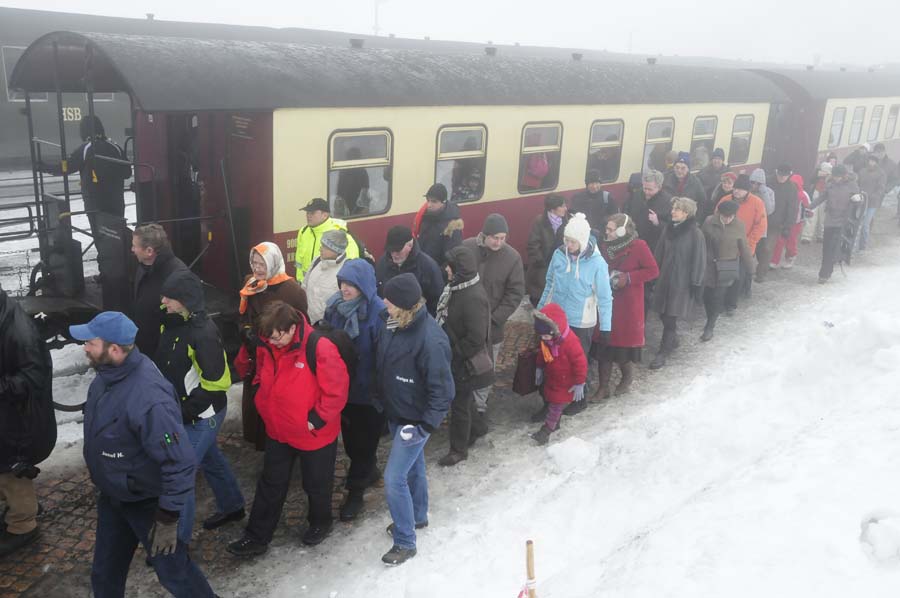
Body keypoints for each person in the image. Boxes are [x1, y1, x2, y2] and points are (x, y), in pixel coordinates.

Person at [70, 312, 216, 598]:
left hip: (148, 504)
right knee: (105, 574)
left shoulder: (150, 398)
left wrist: (168, 518)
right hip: (114, 497)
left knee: (176, 575)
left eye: (90, 342)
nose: (84, 347)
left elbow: (179, 461)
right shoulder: (105, 376)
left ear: (114, 349)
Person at [227, 301, 349, 557]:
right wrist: (261, 396)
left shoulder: (320, 347)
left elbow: (337, 390)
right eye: (270, 338)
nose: (274, 342)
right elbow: (259, 372)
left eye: (278, 337)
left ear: (293, 328)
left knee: (317, 483)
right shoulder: (268, 344)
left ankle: (320, 522)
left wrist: (316, 420)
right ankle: (257, 536)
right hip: (278, 429)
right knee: (270, 483)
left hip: (313, 434)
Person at [156, 270, 244, 536]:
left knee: (181, 474)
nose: (163, 301)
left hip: (203, 416)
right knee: (209, 458)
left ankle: (177, 544)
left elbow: (217, 382)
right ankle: (233, 506)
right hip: (184, 412)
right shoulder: (170, 323)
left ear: (185, 300)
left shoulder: (202, 333)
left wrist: (185, 411)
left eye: (169, 297)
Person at [374, 274, 454, 565]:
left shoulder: (430, 340)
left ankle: (405, 542)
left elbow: (443, 391)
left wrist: (425, 427)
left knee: (394, 479)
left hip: (414, 421)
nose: (384, 303)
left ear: (404, 305)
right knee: (413, 468)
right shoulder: (393, 321)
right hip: (397, 411)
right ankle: (418, 516)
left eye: (389, 300)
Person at [323, 259, 386, 521]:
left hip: (368, 392)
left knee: (364, 443)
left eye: (352, 284)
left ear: (365, 285)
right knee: (351, 441)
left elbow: (384, 355)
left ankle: (356, 491)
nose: (345, 289)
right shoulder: (334, 308)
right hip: (343, 389)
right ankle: (370, 471)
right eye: (343, 283)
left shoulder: (379, 313)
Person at [537, 213, 613, 416]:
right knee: (552, 361)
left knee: (577, 360)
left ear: (583, 241)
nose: (568, 245)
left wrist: (606, 327)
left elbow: (605, 298)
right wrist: (541, 312)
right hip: (557, 319)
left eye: (573, 241)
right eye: (566, 240)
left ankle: (580, 399)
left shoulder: (597, 263)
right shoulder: (558, 255)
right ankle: (550, 401)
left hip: (581, 321)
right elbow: (550, 285)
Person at [0, 285, 56, 558]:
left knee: (11, 472)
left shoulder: (20, 331)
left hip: (15, 419)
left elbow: (34, 376)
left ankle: (23, 524)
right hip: (6, 412)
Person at [237, 242, 308, 451]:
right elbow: (242, 315)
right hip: (256, 352)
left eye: (262, 264)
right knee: (257, 398)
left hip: (280, 355)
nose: (257, 268)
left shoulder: (291, 290)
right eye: (254, 263)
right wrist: (246, 330)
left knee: (277, 399)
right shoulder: (250, 283)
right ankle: (261, 442)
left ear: (273, 263)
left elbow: (302, 323)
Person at [436, 246, 494, 466]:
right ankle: (478, 428)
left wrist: (454, 353)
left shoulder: (473, 297)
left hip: (464, 361)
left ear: (460, 269)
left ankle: (458, 450)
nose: (446, 269)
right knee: (464, 398)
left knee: (459, 403)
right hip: (458, 357)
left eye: (450, 266)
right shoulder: (459, 288)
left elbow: (477, 338)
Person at [462, 214, 525, 417]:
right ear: (484, 235)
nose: (498, 242)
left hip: (492, 328)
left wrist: (495, 319)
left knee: (486, 368)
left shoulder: (513, 258)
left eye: (502, 238)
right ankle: (463, 403)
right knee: (463, 365)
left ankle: (479, 408)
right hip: (465, 325)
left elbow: (515, 294)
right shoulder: (467, 248)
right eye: (494, 238)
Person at [597, 214, 659, 398]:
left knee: (622, 346)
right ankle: (603, 387)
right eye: (606, 229)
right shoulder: (604, 246)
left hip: (628, 305)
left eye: (610, 230)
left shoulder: (639, 246)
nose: (606, 233)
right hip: (607, 301)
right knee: (604, 344)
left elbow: (653, 270)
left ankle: (626, 377)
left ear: (622, 230)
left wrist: (629, 278)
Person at [649, 198, 706, 370]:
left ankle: (663, 352)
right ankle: (672, 339)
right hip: (664, 279)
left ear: (686, 213)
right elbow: (659, 252)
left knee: (670, 316)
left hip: (682, 283)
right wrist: (653, 273)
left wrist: (696, 283)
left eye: (677, 209)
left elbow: (699, 260)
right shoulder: (668, 229)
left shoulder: (696, 233)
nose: (672, 211)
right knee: (661, 313)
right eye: (673, 208)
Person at [530, 304, 587, 445]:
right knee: (552, 400)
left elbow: (580, 362)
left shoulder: (571, 342)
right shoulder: (547, 339)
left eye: (545, 335)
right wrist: (539, 367)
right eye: (541, 336)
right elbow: (543, 353)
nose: (543, 338)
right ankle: (556, 424)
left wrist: (580, 382)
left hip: (565, 380)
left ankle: (546, 431)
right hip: (553, 376)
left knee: (556, 405)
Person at [131, 224, 189, 356]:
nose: (132, 249)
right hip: (144, 344)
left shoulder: (178, 276)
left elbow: (184, 321)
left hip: (163, 351)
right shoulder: (143, 266)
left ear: (149, 251)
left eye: (134, 246)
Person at [699, 200, 752, 341]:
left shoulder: (739, 225)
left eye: (731, 216)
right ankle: (710, 317)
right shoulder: (709, 221)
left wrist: (750, 268)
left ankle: (710, 326)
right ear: (719, 213)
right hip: (709, 265)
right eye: (724, 216)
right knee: (707, 295)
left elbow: (744, 247)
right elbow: (701, 241)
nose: (728, 219)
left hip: (726, 266)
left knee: (717, 296)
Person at [718, 174, 767, 311]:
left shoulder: (757, 203)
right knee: (724, 274)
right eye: (735, 188)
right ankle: (721, 301)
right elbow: (716, 217)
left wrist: (749, 243)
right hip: (726, 245)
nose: (736, 191)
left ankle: (731, 304)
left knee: (739, 276)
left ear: (747, 190)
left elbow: (760, 225)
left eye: (740, 189)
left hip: (745, 246)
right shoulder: (725, 199)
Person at [807, 165, 861, 283]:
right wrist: (810, 207)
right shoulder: (830, 184)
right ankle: (828, 269)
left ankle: (824, 274)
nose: (836, 179)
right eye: (835, 176)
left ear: (844, 176)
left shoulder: (852, 185)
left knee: (832, 248)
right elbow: (822, 197)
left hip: (843, 222)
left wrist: (858, 199)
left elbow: (858, 205)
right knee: (826, 248)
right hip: (830, 220)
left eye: (838, 177)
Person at [375, 226, 444, 316]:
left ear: (410, 246)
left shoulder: (428, 267)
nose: (394, 254)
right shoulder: (382, 263)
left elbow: (437, 300)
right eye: (391, 250)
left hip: (417, 320)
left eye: (398, 251)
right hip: (389, 318)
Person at [295, 198, 359, 283]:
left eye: (312, 213)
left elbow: (351, 265)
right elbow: (299, 262)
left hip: (328, 286)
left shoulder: (338, 234)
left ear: (325, 215)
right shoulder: (303, 232)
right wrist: (300, 281)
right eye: (307, 212)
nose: (308, 216)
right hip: (307, 285)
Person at [525, 194, 569, 306]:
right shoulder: (539, 221)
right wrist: (541, 262)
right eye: (562, 206)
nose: (566, 208)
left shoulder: (566, 222)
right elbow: (532, 245)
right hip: (540, 270)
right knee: (539, 300)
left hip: (559, 269)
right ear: (553, 209)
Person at [303, 229, 348, 323]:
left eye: (325, 246)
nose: (320, 249)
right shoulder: (316, 262)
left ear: (336, 250)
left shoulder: (345, 270)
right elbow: (304, 287)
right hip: (310, 323)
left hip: (330, 326)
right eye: (321, 245)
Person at [415, 183, 464, 269]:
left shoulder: (453, 225)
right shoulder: (426, 216)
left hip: (438, 270)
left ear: (443, 202)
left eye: (434, 201)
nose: (429, 205)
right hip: (423, 266)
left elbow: (453, 256)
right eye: (428, 200)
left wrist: (440, 273)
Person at [625, 169, 673, 252]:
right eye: (645, 188)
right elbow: (627, 210)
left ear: (659, 187)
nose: (646, 192)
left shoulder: (668, 202)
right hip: (634, 240)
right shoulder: (637, 194)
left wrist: (658, 223)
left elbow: (672, 228)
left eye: (650, 189)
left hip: (654, 246)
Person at [765, 165, 801, 273]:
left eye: (785, 176)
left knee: (773, 245)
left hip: (778, 222)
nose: (782, 178)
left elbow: (792, 209)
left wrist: (788, 226)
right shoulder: (768, 182)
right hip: (764, 218)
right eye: (780, 175)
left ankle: (769, 263)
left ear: (789, 175)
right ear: (776, 172)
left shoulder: (792, 188)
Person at [771, 173, 810, 269]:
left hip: (796, 223)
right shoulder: (787, 191)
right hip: (785, 220)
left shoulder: (803, 194)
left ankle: (790, 258)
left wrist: (808, 215)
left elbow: (809, 207)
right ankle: (774, 261)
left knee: (790, 242)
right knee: (779, 241)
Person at [570, 169, 617, 234]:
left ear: (600, 183)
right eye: (591, 183)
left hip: (602, 233)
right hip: (584, 233)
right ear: (587, 184)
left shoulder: (607, 197)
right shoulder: (578, 198)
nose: (594, 186)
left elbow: (615, 217)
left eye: (597, 183)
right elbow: (573, 216)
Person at [749, 168, 775, 283]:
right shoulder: (746, 190)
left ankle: (760, 274)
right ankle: (747, 273)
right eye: (752, 182)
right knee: (748, 252)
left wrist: (763, 192)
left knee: (762, 253)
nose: (754, 185)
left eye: (758, 183)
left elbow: (769, 210)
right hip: (748, 226)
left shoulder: (769, 192)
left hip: (760, 229)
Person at [856, 153, 886, 251]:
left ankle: (862, 247)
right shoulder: (862, 171)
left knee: (865, 225)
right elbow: (857, 184)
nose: (871, 162)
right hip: (860, 201)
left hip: (872, 203)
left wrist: (872, 196)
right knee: (857, 223)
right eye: (870, 160)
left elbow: (881, 189)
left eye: (873, 161)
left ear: (876, 162)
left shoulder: (881, 174)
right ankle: (853, 245)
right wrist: (857, 193)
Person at [802, 162, 832, 243]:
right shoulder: (817, 173)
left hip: (825, 196)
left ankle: (820, 235)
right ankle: (806, 236)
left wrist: (829, 177)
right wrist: (818, 174)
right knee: (812, 215)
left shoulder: (832, 176)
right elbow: (811, 180)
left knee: (823, 217)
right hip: (816, 193)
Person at [335, 148, 370, 216]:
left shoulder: (343, 171)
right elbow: (365, 190)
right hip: (355, 204)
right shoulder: (362, 171)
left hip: (350, 202)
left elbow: (340, 191)